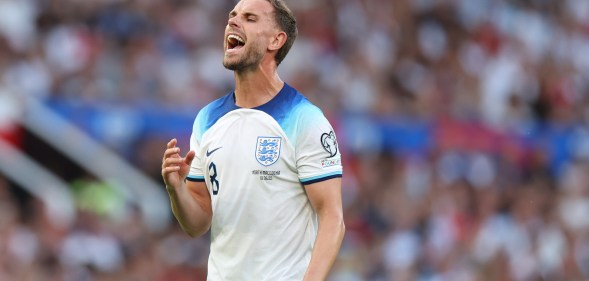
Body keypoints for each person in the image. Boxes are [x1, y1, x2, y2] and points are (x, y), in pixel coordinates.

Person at [161, 0, 345, 279]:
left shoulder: (305, 120)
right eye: (232, 16)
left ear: (276, 40)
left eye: (249, 18)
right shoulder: (207, 119)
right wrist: (177, 190)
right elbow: (197, 224)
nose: (233, 22)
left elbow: (333, 218)